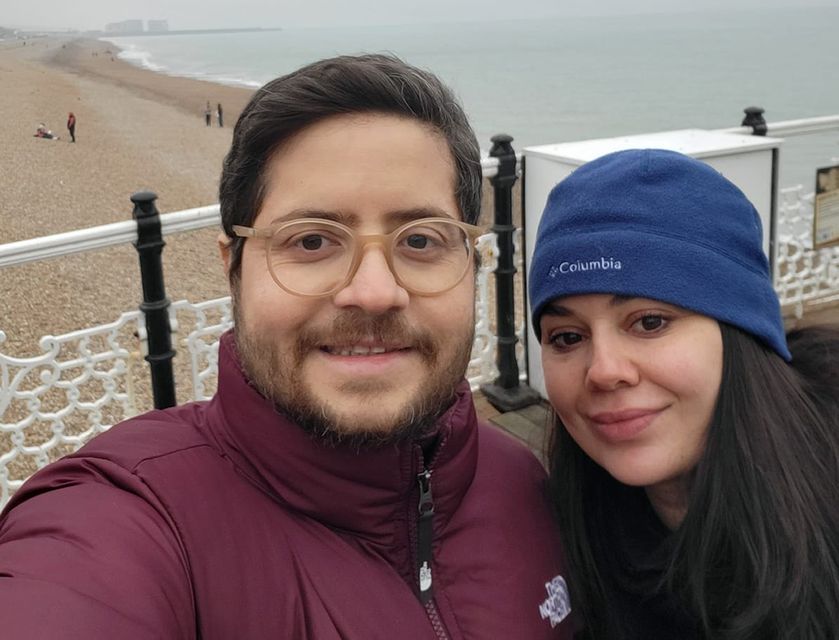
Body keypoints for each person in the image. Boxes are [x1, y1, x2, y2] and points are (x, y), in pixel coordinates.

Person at [0, 54, 573, 639]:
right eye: (313, 240)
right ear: (234, 269)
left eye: (421, 239)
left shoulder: (527, 485)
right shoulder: (137, 514)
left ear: (472, 263)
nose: (373, 293)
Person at [528, 148, 839, 639]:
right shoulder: (557, 541)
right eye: (567, 337)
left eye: (649, 322)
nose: (604, 371)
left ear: (741, 331)